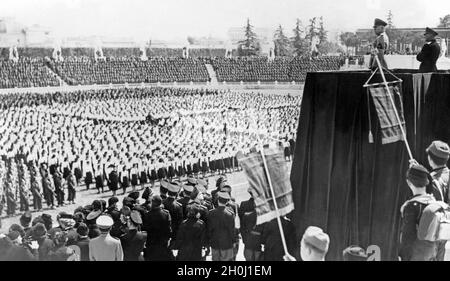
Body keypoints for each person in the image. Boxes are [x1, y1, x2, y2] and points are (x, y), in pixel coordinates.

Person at [399, 163, 437, 261]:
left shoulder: (411, 206)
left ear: (408, 182)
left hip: (415, 256)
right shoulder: (434, 202)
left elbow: (407, 237)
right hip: (432, 254)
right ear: (426, 182)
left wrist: (402, 256)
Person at [143, 195, 173, 261]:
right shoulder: (166, 214)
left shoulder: (147, 215)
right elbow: (169, 229)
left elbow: (145, 229)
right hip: (163, 242)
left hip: (151, 243)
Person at [207, 191, 235, 261]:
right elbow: (232, 231)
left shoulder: (211, 213)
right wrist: (233, 241)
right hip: (227, 244)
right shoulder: (230, 214)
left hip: (215, 243)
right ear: (226, 202)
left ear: (218, 200)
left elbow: (209, 229)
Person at [239, 192, 263, 261]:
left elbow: (241, 226)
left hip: (248, 242)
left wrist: (244, 239)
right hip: (257, 243)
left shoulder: (243, 204)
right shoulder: (262, 206)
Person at [163, 182, 184, 248]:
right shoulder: (178, 206)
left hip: (164, 231)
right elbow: (180, 222)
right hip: (174, 232)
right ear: (176, 193)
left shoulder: (162, 202)